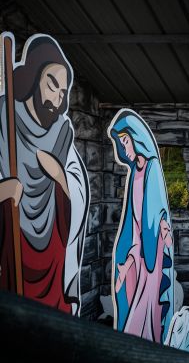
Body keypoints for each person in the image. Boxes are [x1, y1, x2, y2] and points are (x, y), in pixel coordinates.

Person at [0, 33, 89, 316]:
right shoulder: (3, 118)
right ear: (34, 75)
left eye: (63, 93)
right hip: (11, 247)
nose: (57, 97)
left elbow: (78, 192)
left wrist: (60, 176)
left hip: (52, 252)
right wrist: (3, 191)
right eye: (52, 85)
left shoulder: (62, 134)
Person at [108, 109, 174, 344]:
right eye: (122, 142)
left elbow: (156, 215)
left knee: (146, 305)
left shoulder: (152, 169)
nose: (124, 147)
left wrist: (162, 231)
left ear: (137, 138)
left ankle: (144, 347)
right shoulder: (135, 171)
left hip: (152, 252)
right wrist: (128, 260)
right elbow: (133, 221)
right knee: (132, 297)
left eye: (126, 140)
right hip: (138, 247)